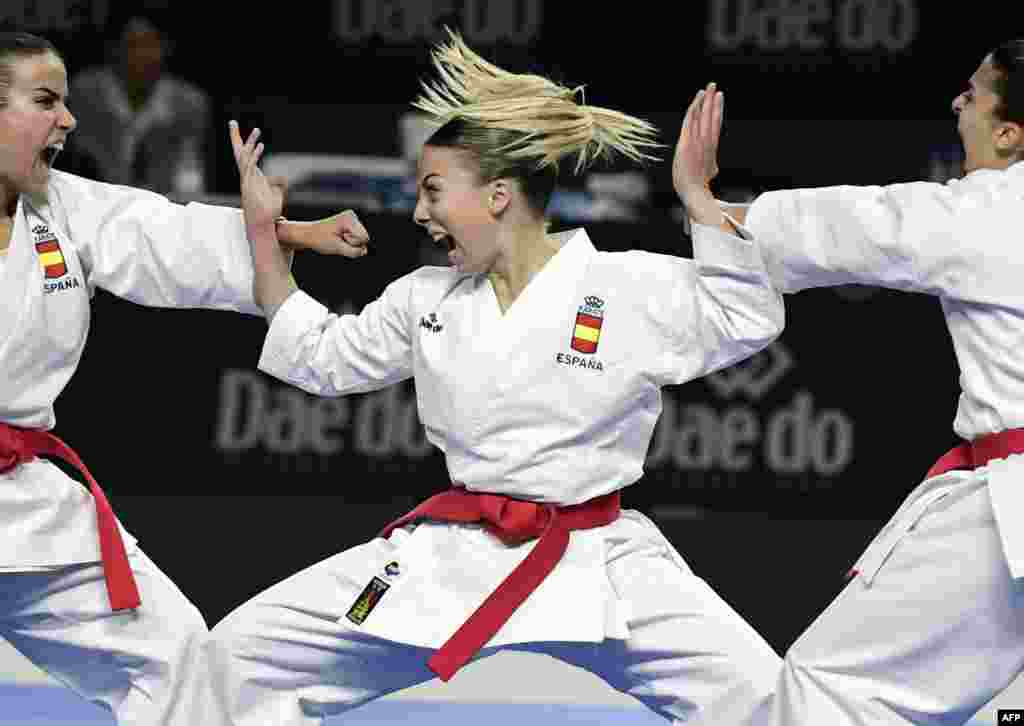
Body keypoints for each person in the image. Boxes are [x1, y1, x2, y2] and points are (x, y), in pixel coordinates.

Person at [205, 30, 784, 726]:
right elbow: (319, 356)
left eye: (433, 192)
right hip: (451, 555)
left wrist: (697, 195)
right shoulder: (426, 297)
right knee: (231, 661)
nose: (419, 213)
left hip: (600, 558)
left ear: (500, 195)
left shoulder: (625, 283)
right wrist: (267, 239)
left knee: (772, 701)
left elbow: (745, 314)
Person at [0, 30, 368, 726]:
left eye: (67, 102)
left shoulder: (63, 209)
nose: (68, 121)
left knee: (176, 658)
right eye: (45, 101)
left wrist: (282, 234)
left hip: (26, 506)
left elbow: (160, 233)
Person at [700, 40, 1024, 725]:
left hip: (1012, 502)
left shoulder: (995, 208)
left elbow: (866, 225)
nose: (955, 103)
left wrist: (717, 211)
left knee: (832, 688)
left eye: (972, 93)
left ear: (1008, 132)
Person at [66, 15, 211, 194]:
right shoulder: (85, 94)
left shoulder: (189, 103)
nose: (141, 55)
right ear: (114, 49)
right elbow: (77, 166)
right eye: (133, 45)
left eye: (149, 45)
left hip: (165, 206)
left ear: (165, 48)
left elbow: (191, 177)